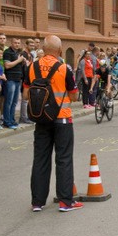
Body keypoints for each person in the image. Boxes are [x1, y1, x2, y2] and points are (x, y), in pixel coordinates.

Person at [23, 35, 81, 213]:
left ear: (43, 48)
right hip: (62, 119)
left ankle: (37, 202)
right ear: (60, 50)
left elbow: (26, 95)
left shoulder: (32, 67)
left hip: (41, 119)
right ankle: (65, 202)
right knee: (63, 159)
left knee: (40, 159)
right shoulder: (64, 68)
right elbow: (74, 96)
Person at [2, 38, 25, 129]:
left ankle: (12, 119)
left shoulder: (18, 53)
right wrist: (19, 61)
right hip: (10, 79)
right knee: (8, 101)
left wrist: (22, 62)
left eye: (18, 43)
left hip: (17, 79)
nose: (17, 44)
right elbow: (7, 65)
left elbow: (17, 65)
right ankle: (7, 121)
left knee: (15, 102)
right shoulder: (7, 52)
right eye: (15, 43)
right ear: (11, 43)